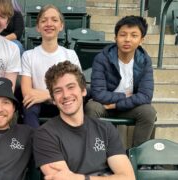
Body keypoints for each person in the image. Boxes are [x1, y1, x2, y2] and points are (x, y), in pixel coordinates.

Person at [33, 61, 135, 180]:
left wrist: (81, 178)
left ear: (83, 91)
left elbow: (128, 177)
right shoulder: (44, 134)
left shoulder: (106, 129)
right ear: (54, 100)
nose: (65, 95)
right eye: (58, 91)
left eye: (71, 87)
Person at [84, 15, 156, 147]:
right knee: (91, 107)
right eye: (123, 34)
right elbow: (98, 93)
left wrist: (117, 105)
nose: (127, 39)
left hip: (127, 107)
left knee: (148, 112)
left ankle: (138, 156)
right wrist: (124, 96)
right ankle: (94, 152)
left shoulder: (144, 61)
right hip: (104, 105)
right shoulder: (102, 58)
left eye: (134, 35)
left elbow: (146, 96)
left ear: (141, 40)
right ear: (115, 38)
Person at [20, 4, 81, 128]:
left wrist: (48, 95)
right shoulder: (28, 55)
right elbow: (27, 92)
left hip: (64, 101)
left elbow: (78, 88)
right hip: (38, 104)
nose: (49, 24)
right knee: (29, 105)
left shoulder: (70, 54)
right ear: (38, 27)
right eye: (44, 20)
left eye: (54, 20)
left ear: (61, 26)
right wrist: (50, 96)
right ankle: (36, 143)